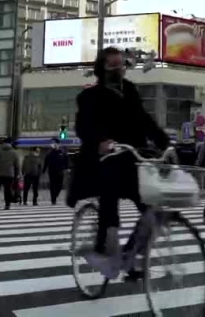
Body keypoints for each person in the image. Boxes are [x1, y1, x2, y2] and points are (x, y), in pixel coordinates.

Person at [73, 47, 169, 277]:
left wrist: (164, 142)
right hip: (104, 160)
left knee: (153, 209)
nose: (118, 69)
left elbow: (144, 119)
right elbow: (83, 126)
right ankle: (104, 248)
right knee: (109, 202)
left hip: (132, 159)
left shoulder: (130, 90)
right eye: (112, 65)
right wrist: (99, 142)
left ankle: (130, 255)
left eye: (121, 64)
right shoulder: (89, 96)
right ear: (102, 69)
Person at [0, 137, 20, 210]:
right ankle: (7, 204)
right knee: (8, 189)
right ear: (10, 143)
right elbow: (17, 165)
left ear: (3, 143)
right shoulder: (14, 152)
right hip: (9, 174)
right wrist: (17, 174)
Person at [43, 139, 68, 205]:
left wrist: (67, 168)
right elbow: (46, 162)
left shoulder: (62, 152)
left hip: (60, 171)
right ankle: (53, 200)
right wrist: (44, 170)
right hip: (52, 172)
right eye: (53, 144)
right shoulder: (50, 153)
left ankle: (55, 195)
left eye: (55, 143)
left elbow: (66, 161)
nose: (54, 145)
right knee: (52, 186)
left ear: (58, 144)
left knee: (59, 185)